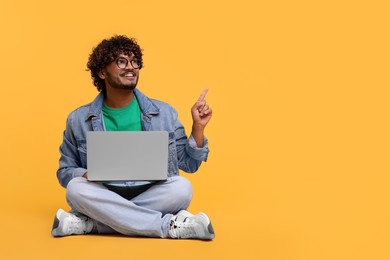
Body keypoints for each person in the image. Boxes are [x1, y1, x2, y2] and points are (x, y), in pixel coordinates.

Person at [51, 35, 215, 240]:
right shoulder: (78, 119)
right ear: (102, 72)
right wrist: (86, 174)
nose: (131, 67)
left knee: (182, 188)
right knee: (75, 188)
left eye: (134, 61)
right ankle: (169, 226)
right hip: (104, 192)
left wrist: (198, 128)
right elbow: (65, 172)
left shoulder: (164, 113)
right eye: (121, 61)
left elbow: (189, 164)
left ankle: (95, 223)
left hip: (151, 192)